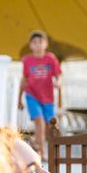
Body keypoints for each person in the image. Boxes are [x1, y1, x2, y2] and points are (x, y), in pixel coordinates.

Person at [18, 30, 62, 158]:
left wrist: (58, 83)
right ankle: (42, 153)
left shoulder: (51, 58)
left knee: (51, 125)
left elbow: (58, 75)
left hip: (48, 98)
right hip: (32, 95)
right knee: (40, 122)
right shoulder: (27, 60)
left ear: (46, 44)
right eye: (34, 43)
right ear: (30, 45)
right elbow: (24, 79)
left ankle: (44, 146)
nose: (37, 45)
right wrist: (19, 98)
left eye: (40, 42)